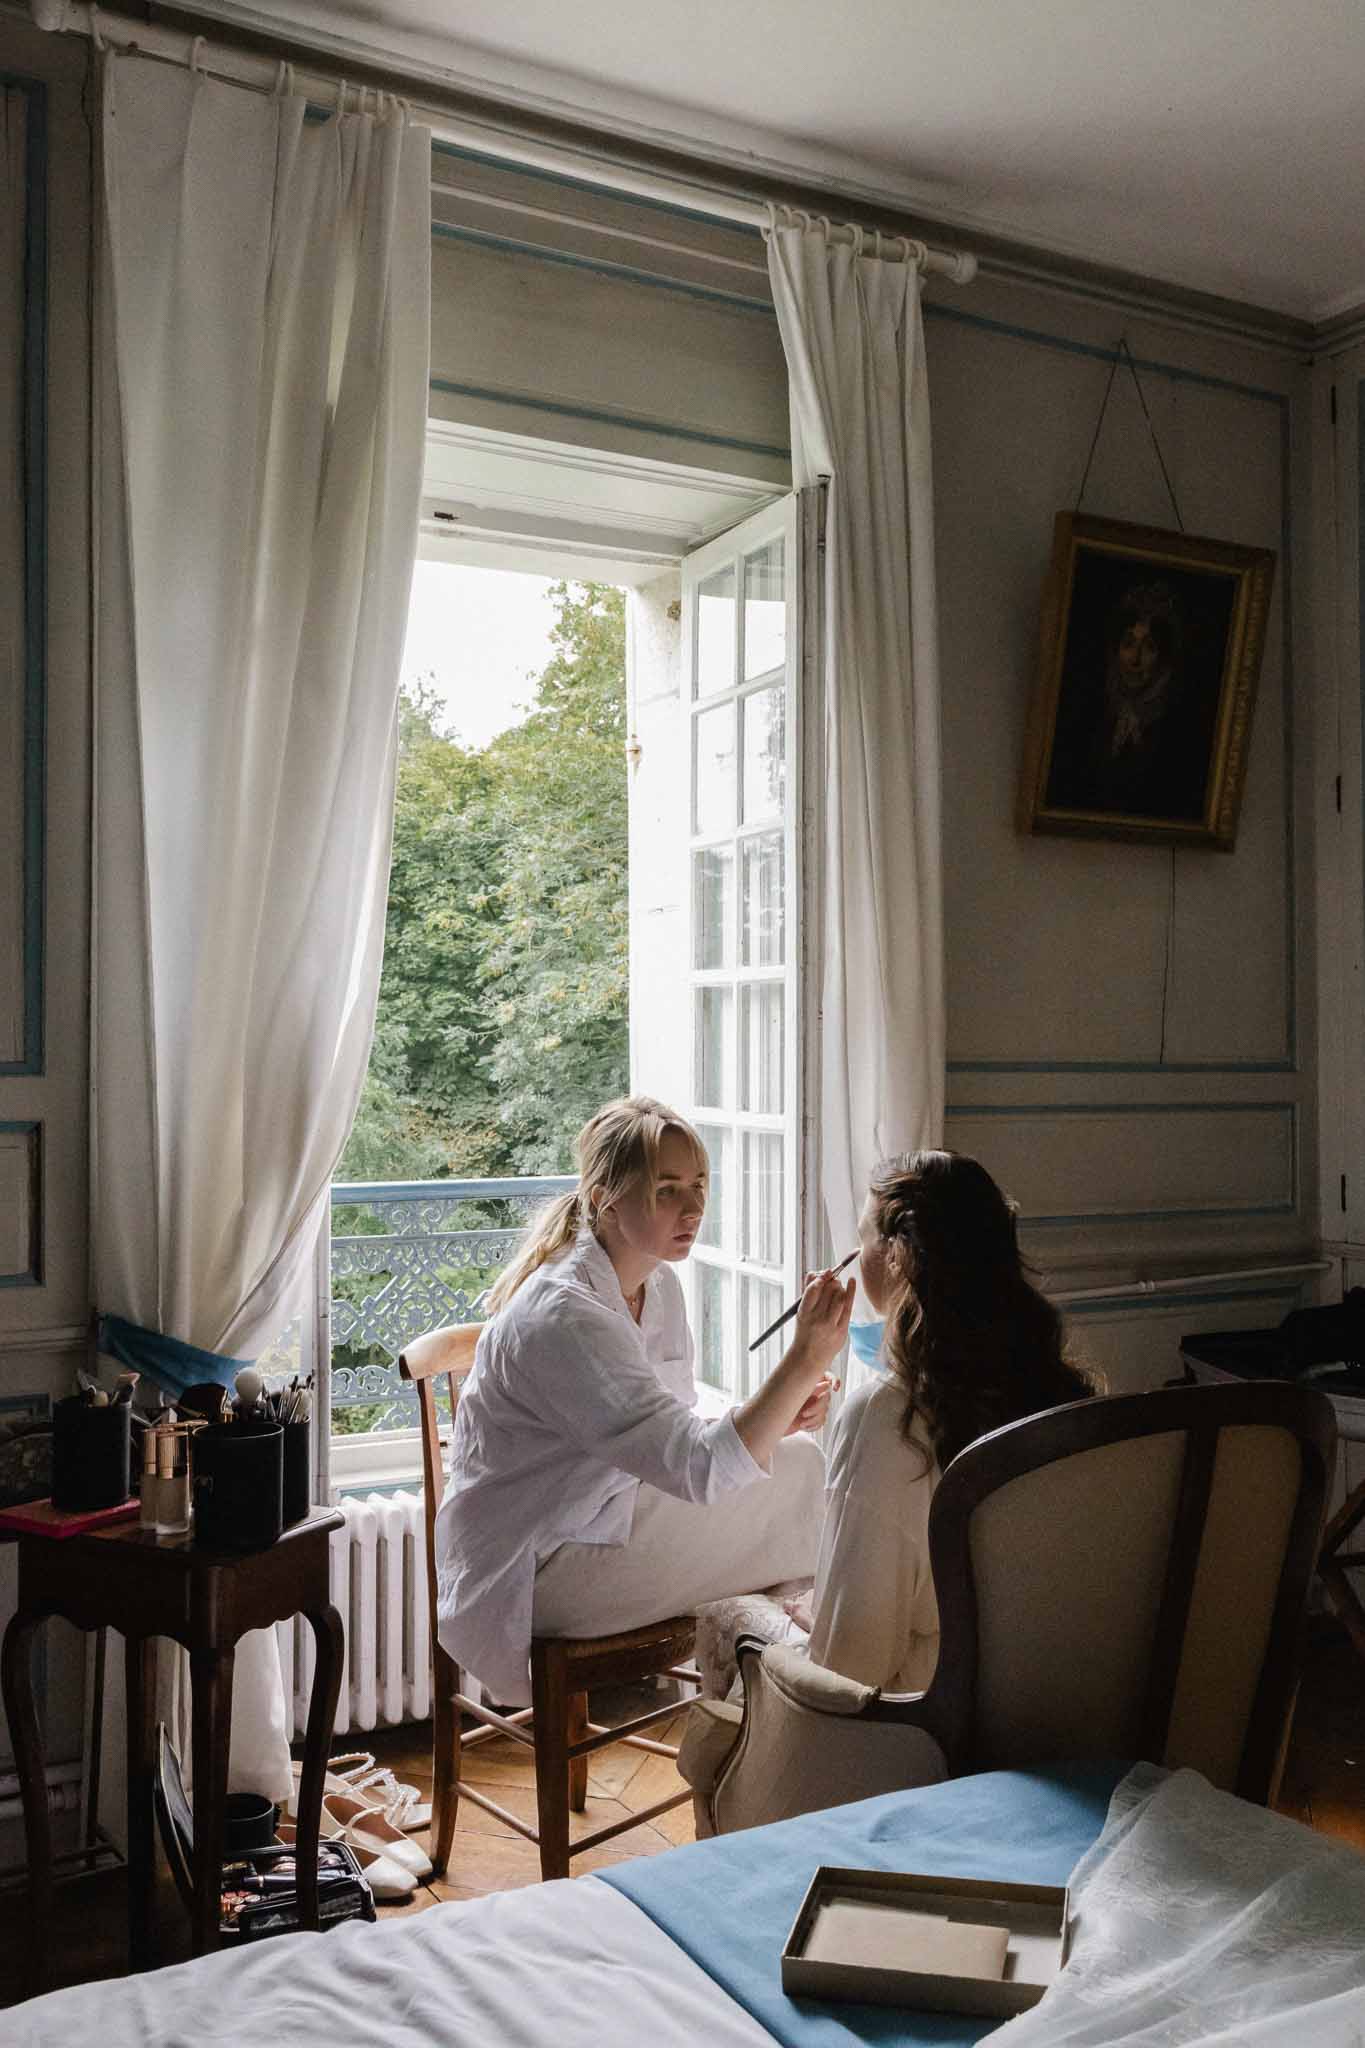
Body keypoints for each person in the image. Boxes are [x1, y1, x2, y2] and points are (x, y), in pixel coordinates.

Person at [434, 1095, 852, 1706]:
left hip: (605, 1514)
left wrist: (779, 1417)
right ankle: (807, 1676)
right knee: (797, 1492)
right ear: (604, 1198)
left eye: (699, 1186)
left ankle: (791, 1667)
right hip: (541, 1566)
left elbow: (668, 1434)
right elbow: (698, 1466)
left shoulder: (657, 1284)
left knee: (797, 1463)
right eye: (666, 1191)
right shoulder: (566, 1317)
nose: (693, 1208)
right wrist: (804, 1358)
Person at [781, 1149, 1097, 1693]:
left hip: (934, 1719)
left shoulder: (889, 1417)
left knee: (744, 1637)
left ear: (898, 1256)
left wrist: (820, 1620)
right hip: (1045, 1695)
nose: (854, 1258)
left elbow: (851, 1669)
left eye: (864, 1240)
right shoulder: (1057, 1387)